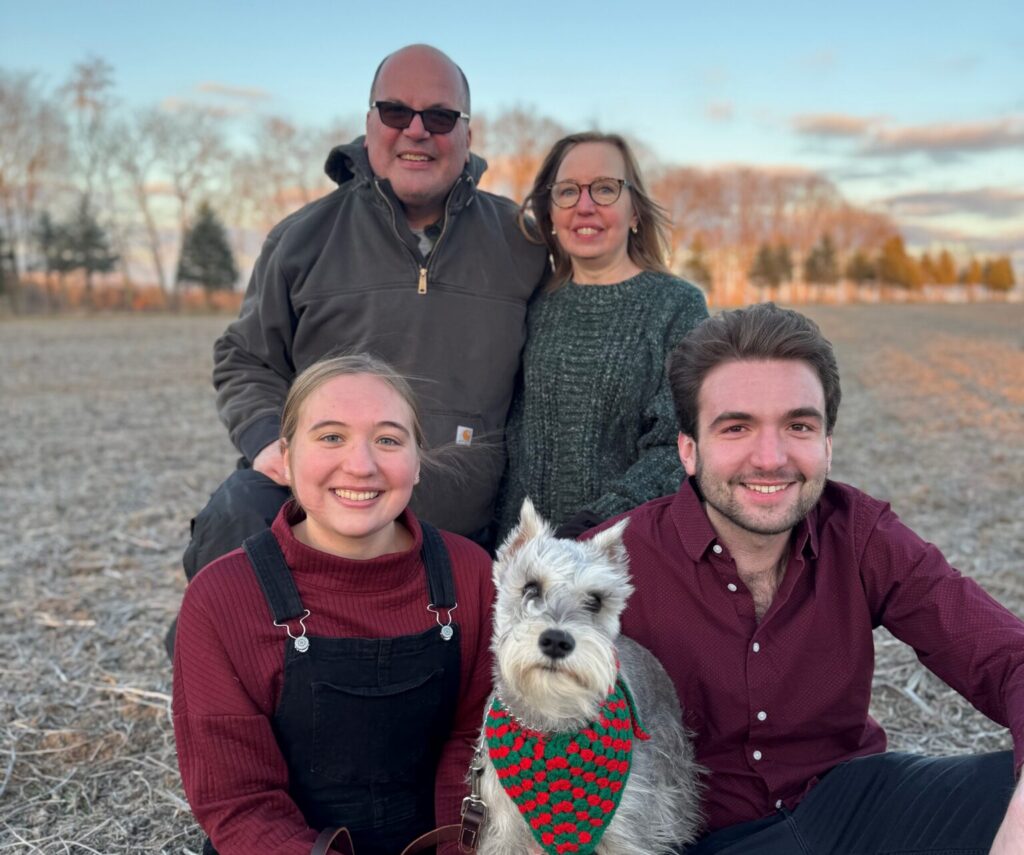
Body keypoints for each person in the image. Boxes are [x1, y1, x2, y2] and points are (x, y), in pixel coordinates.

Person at [586, 303, 1024, 853]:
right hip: (700, 838)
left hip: (854, 807)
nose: (770, 458)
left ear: (827, 446)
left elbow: (1005, 655)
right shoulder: (607, 562)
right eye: (737, 427)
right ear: (689, 451)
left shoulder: (861, 533)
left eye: (798, 426)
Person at [183, 43, 547, 588]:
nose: (417, 131)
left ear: (468, 133)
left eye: (441, 116)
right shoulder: (302, 239)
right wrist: (266, 441)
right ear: (370, 123)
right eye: (396, 112)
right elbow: (246, 359)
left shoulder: (523, 243)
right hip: (318, 533)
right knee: (234, 540)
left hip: (460, 546)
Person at [172, 354, 495, 855]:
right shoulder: (224, 598)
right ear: (286, 454)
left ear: (416, 460)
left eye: (388, 439)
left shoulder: (471, 574)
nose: (361, 465)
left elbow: (475, 746)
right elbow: (238, 802)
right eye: (330, 437)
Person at [495, 132, 708, 542]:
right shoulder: (531, 304)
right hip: (525, 559)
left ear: (634, 212)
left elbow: (680, 445)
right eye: (568, 191)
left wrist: (599, 524)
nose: (585, 206)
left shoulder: (677, 306)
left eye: (606, 189)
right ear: (551, 214)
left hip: (625, 553)